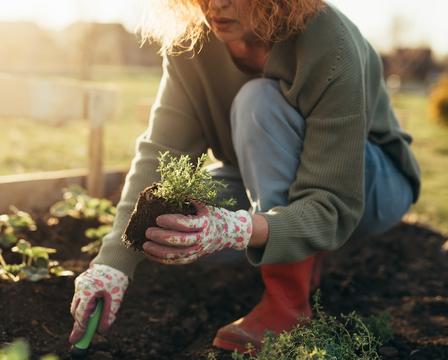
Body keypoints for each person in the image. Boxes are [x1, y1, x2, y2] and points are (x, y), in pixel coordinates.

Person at [69, 0, 421, 354]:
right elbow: (162, 153)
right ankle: (301, 244)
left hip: (370, 186)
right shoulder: (192, 41)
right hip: (266, 180)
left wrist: (233, 228)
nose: (216, 5)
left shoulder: (328, 41)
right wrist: (113, 264)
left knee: (259, 101)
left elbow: (334, 205)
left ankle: (287, 306)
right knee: (177, 228)